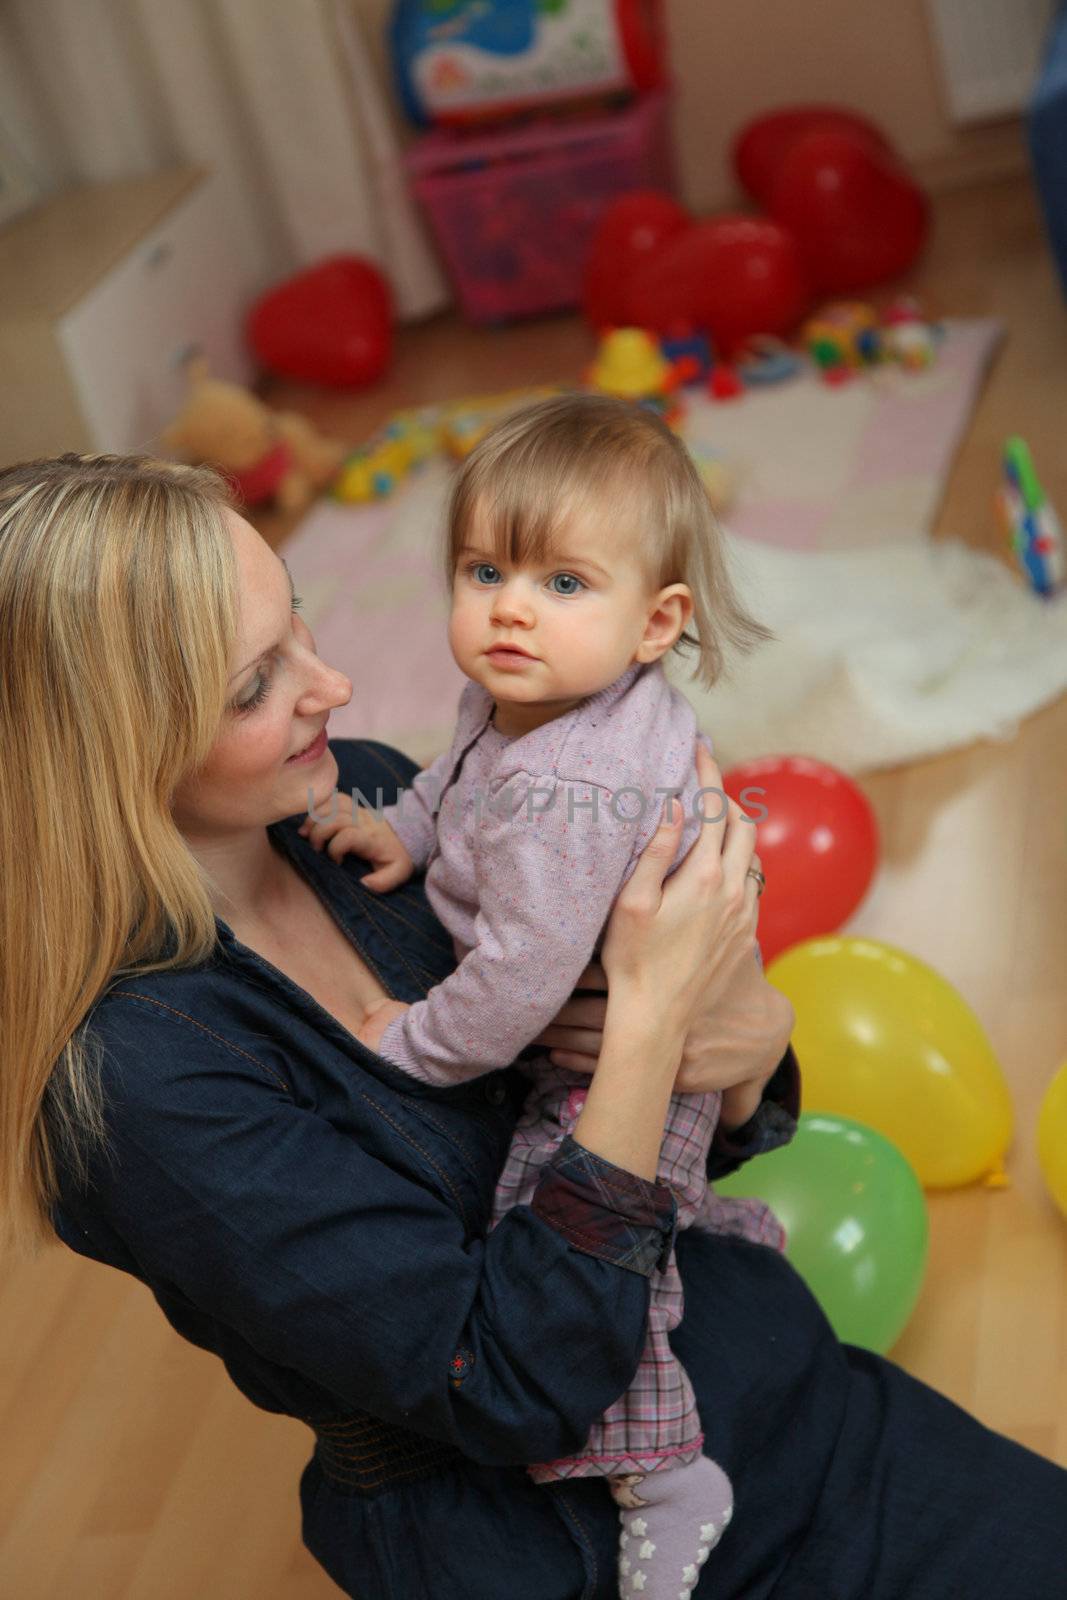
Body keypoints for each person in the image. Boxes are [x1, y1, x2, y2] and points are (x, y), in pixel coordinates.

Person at [2, 453, 1065, 1600]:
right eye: (255, 686)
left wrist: (749, 1046)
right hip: (574, 1543)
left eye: (297, 622)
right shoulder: (139, 1084)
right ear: (105, 754)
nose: (336, 685)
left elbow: (678, 1126)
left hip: (785, 1393)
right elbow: (512, 1377)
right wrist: (654, 1019)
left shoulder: (356, 798)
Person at [298, 393, 779, 1600]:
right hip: (626, 1009)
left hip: (628, 1048)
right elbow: (458, 786)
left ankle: (666, 1474)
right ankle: (705, 1216)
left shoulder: (573, 787)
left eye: (564, 583)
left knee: (557, 1226)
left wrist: (410, 1040)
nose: (510, 606)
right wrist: (401, 830)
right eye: (483, 568)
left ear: (654, 622)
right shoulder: (522, 698)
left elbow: (512, 985)